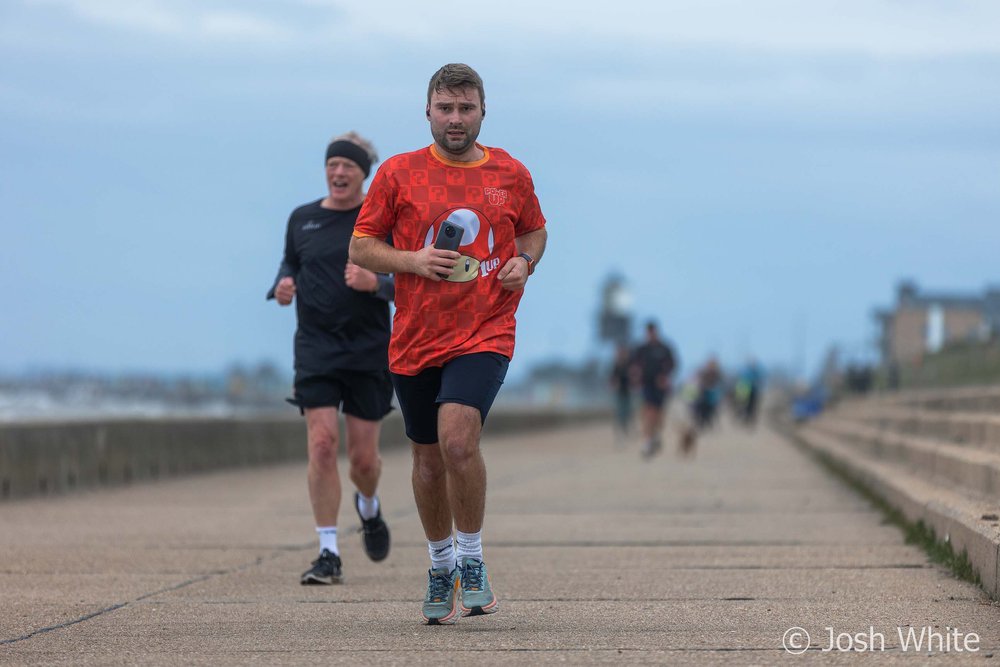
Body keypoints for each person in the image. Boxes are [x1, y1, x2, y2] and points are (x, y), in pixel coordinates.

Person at [349, 63, 547, 625]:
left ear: (483, 111)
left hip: (486, 328)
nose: (455, 119)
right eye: (445, 108)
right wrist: (412, 260)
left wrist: (524, 261)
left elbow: (535, 229)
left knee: (458, 440)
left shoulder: (510, 172)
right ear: (428, 112)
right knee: (429, 461)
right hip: (415, 336)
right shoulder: (398, 173)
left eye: (466, 108)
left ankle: (473, 559)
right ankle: (440, 565)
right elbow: (362, 247)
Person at [267, 131, 394, 585]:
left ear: (365, 173)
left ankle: (370, 507)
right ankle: (328, 551)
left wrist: (375, 285)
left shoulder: (380, 221)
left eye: (349, 166)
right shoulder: (302, 219)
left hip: (367, 351)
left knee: (364, 461)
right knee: (322, 445)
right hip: (316, 349)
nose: (339, 172)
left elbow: (412, 280)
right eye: (332, 165)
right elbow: (289, 263)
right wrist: (282, 286)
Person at [631, 321, 677, 460]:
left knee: (659, 414)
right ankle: (647, 441)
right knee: (649, 411)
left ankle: (655, 435)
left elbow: (673, 364)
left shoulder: (665, 348)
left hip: (661, 386)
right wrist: (635, 376)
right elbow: (634, 366)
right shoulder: (641, 349)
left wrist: (665, 377)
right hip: (647, 384)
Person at [609, 343, 633, 444]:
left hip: (628, 391)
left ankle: (626, 429)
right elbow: (612, 378)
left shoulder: (629, 364)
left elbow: (633, 376)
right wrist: (613, 384)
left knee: (627, 412)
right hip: (619, 392)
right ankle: (620, 431)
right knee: (619, 412)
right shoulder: (616, 365)